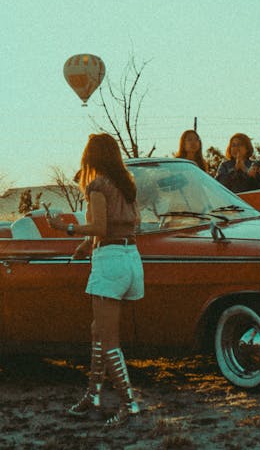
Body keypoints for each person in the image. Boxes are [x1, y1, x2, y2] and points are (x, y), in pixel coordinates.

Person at [46, 133, 143, 427]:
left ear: (91, 157)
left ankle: (129, 404)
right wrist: (86, 244)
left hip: (110, 261)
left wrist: (68, 228)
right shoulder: (126, 185)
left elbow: (100, 226)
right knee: (98, 332)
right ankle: (93, 395)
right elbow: (120, 224)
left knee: (109, 339)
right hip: (130, 258)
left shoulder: (98, 185)